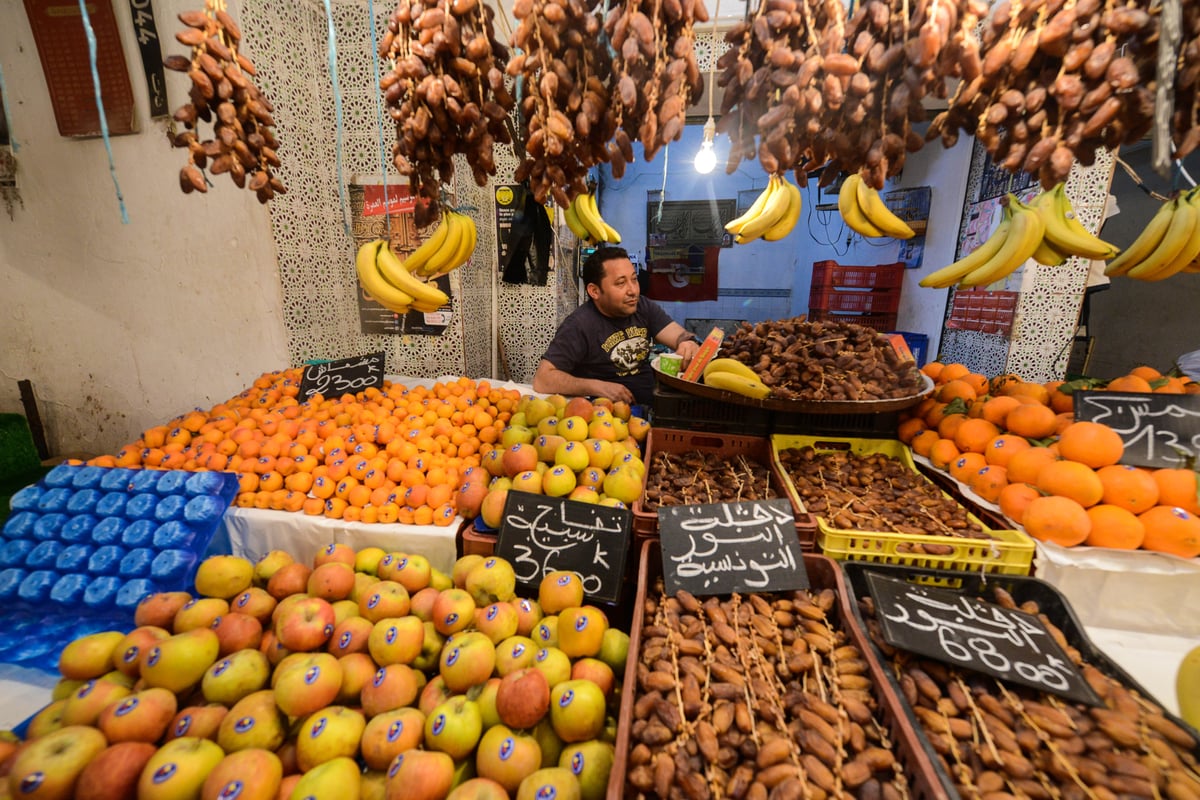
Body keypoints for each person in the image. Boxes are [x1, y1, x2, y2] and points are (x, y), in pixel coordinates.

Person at [532, 246, 701, 406]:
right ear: (594, 291)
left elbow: (677, 334)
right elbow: (543, 379)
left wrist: (686, 342)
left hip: (649, 408)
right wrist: (598, 387)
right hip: (604, 420)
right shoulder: (579, 325)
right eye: (621, 283)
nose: (633, 290)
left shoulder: (642, 307)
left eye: (634, 280)